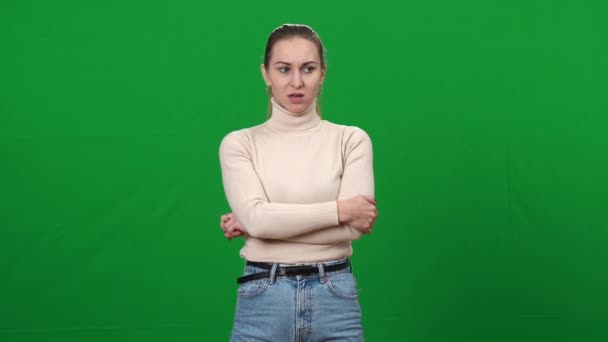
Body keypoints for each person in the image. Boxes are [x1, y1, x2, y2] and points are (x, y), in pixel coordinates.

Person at [218, 23, 378, 341]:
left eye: (308, 69)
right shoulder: (240, 144)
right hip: (263, 298)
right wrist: (341, 209)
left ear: (323, 73)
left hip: (335, 297)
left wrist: (266, 225)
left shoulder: (350, 140)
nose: (296, 82)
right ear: (266, 73)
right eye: (283, 69)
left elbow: (353, 228)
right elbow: (260, 220)